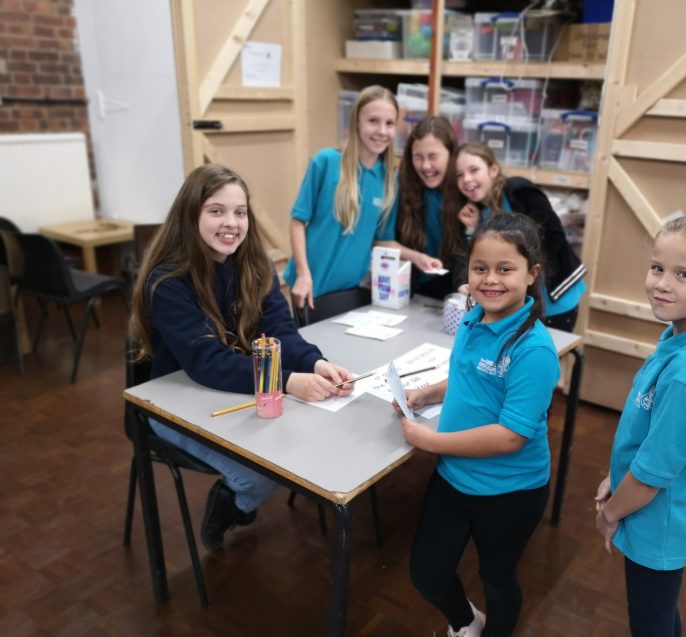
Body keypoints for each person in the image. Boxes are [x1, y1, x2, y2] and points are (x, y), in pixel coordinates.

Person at [129, 163, 353, 551]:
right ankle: (234, 501)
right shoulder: (167, 283)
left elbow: (282, 331)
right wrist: (285, 381)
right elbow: (206, 363)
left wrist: (316, 363)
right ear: (190, 214)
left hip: (237, 385)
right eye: (216, 211)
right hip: (172, 404)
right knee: (263, 474)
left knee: (296, 450)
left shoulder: (255, 264)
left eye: (240, 211)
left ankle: (242, 495)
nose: (230, 222)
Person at [396, 214, 560, 636]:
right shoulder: (473, 317)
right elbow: (469, 375)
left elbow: (510, 436)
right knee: (427, 573)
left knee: (497, 579)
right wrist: (429, 394)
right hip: (454, 476)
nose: (491, 280)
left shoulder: (535, 349)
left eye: (506, 269)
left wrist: (431, 441)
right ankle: (467, 624)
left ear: (532, 274)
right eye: (480, 268)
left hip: (511, 491)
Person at [594, 212, 686, 637]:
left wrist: (610, 514)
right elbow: (654, 438)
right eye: (658, 268)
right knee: (659, 615)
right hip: (659, 511)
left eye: (683, 274)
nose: (661, 283)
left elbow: (652, 475)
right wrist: (615, 476)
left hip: (658, 520)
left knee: (650, 623)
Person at [284, 85, 401, 311]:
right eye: (373, 121)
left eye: (389, 123)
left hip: (351, 292)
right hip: (310, 286)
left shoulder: (389, 181)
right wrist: (302, 274)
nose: (382, 131)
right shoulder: (326, 162)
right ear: (356, 121)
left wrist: (419, 258)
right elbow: (297, 221)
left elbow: (382, 240)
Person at [450, 141, 587, 332]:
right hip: (521, 303)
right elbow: (475, 256)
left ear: (493, 169)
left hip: (554, 297)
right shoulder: (478, 212)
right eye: (460, 175)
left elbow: (554, 236)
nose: (466, 179)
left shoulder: (519, 191)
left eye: (474, 170)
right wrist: (471, 229)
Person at [387, 115, 462, 299]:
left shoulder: (465, 186)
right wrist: (415, 257)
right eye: (418, 157)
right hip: (410, 288)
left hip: (456, 290)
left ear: (451, 155)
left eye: (433, 157)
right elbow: (382, 240)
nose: (426, 166)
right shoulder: (400, 183)